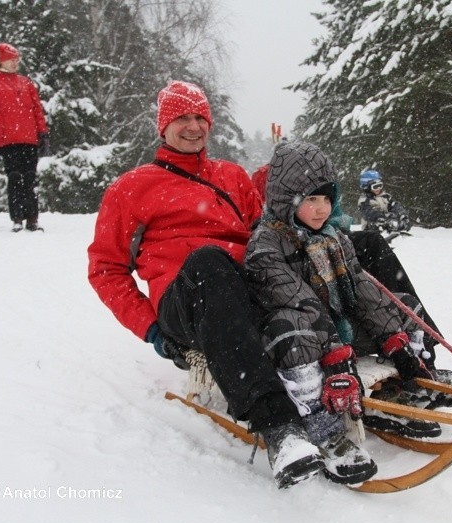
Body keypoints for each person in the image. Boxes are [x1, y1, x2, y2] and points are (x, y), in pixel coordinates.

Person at [87, 81, 324, 490]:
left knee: (351, 246)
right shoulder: (130, 188)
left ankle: (412, 356)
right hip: (187, 301)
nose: (193, 126)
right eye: (181, 117)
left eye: (200, 116)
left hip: (245, 288)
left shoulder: (230, 175)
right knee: (209, 261)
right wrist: (152, 329)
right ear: (163, 126)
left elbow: (263, 232)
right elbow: (106, 269)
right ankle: (280, 427)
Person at [245, 142, 452, 464]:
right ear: (284, 200)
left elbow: (361, 289)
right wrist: (334, 354)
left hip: (339, 336)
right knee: (293, 330)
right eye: (311, 199)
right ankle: (321, 424)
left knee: (403, 306)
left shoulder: (335, 238)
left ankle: (410, 381)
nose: (322, 209)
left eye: (328, 198)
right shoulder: (267, 244)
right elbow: (300, 301)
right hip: (305, 341)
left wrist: (395, 341)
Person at [0, 43, 49, 233]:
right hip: (7, 140)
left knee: (30, 178)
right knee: (15, 177)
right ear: (1, 60)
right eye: (12, 60)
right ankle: (17, 217)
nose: (15, 64)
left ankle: (32, 218)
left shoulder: (25, 82)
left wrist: (42, 132)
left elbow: (36, 109)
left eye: (17, 60)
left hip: (28, 137)